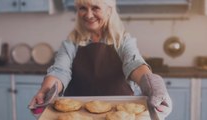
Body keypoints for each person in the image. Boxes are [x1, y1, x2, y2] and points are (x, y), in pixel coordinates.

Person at [29, 0, 172, 118]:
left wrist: (152, 84)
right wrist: (45, 91)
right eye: (83, 8)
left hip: (120, 114)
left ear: (109, 10)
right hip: (77, 115)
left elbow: (134, 64)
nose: (88, 14)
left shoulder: (122, 40)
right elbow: (60, 70)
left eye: (95, 8)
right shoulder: (70, 43)